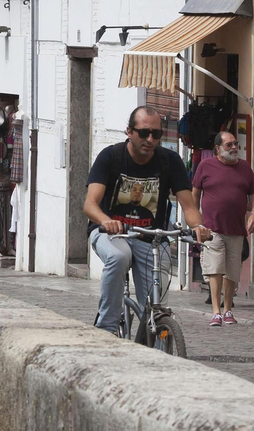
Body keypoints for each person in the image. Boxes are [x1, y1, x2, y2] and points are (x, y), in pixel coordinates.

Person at [82, 107, 203, 341]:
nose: (150, 139)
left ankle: (154, 335)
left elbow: (188, 206)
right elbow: (90, 204)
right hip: (111, 233)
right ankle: (106, 329)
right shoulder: (111, 157)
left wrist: (199, 227)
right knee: (118, 257)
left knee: (155, 304)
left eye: (156, 134)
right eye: (144, 133)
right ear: (129, 131)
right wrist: (107, 221)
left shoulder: (169, 161)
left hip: (151, 237)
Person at [192, 130, 254, 327]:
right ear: (217, 148)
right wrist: (197, 221)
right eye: (229, 144)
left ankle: (228, 308)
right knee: (215, 269)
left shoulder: (244, 167)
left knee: (232, 272)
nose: (234, 148)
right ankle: (216, 311)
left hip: (236, 228)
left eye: (235, 144)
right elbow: (195, 193)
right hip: (211, 228)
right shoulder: (205, 166)